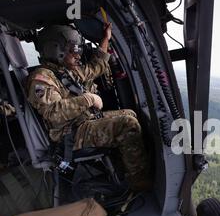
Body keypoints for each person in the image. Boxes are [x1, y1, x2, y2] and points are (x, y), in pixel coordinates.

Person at [26, 24, 151, 193]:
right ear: (56, 50)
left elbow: (94, 67)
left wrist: (105, 39)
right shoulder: (41, 79)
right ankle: (140, 184)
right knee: (127, 124)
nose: (79, 55)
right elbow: (53, 114)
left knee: (130, 113)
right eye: (74, 50)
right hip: (70, 134)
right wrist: (88, 99)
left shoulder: (62, 72)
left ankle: (125, 169)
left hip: (82, 123)